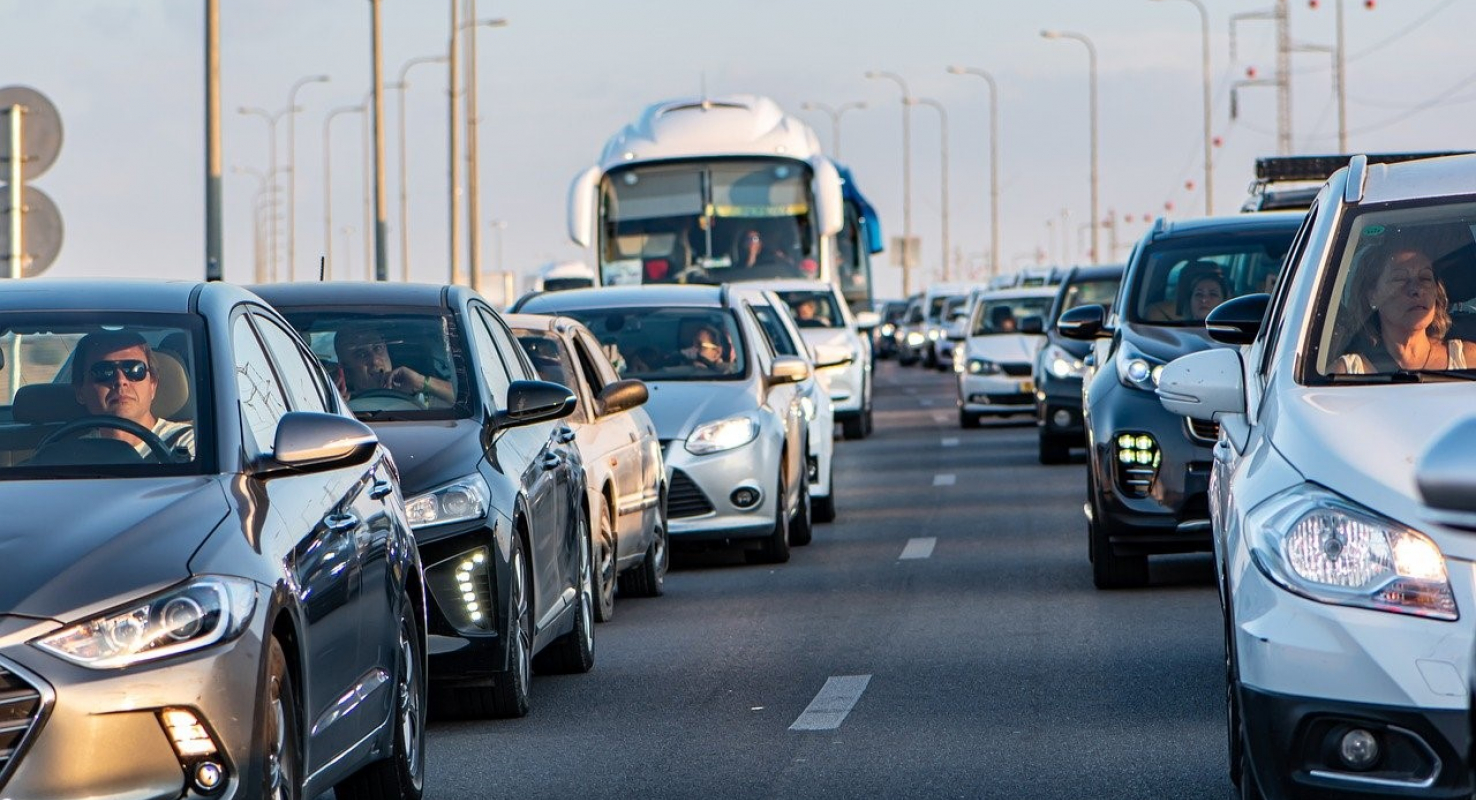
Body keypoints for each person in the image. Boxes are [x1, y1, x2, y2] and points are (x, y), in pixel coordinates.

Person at [1334, 243, 1476, 374]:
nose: (1416, 289)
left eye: (1425, 278)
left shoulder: (1468, 359)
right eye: (1399, 279)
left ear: (1436, 293)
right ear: (1373, 296)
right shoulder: (1347, 372)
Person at [71, 330, 195, 460]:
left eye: (135, 369)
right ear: (80, 391)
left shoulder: (189, 444)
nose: (120, 381)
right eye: (103, 371)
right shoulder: (72, 455)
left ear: (152, 384)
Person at [334, 326, 455, 404]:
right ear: (345, 370)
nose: (375, 360)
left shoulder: (422, 395)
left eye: (378, 348)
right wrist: (337, 406)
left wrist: (422, 382)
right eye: (361, 355)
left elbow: (467, 402)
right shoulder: (338, 407)